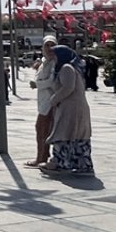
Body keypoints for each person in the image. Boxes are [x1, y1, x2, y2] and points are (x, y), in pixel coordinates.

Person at [41, 46, 94, 175]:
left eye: (55, 54)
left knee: (63, 133)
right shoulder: (69, 68)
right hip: (74, 107)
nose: (53, 57)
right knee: (77, 136)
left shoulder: (66, 68)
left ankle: (61, 163)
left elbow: (68, 87)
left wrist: (54, 99)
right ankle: (82, 165)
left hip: (70, 108)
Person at [26, 36, 58, 167]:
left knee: (42, 128)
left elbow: (51, 81)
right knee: (43, 129)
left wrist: (37, 85)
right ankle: (43, 155)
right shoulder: (44, 61)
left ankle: (41, 157)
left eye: (52, 45)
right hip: (43, 100)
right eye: (47, 45)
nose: (50, 48)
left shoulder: (55, 62)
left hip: (50, 101)